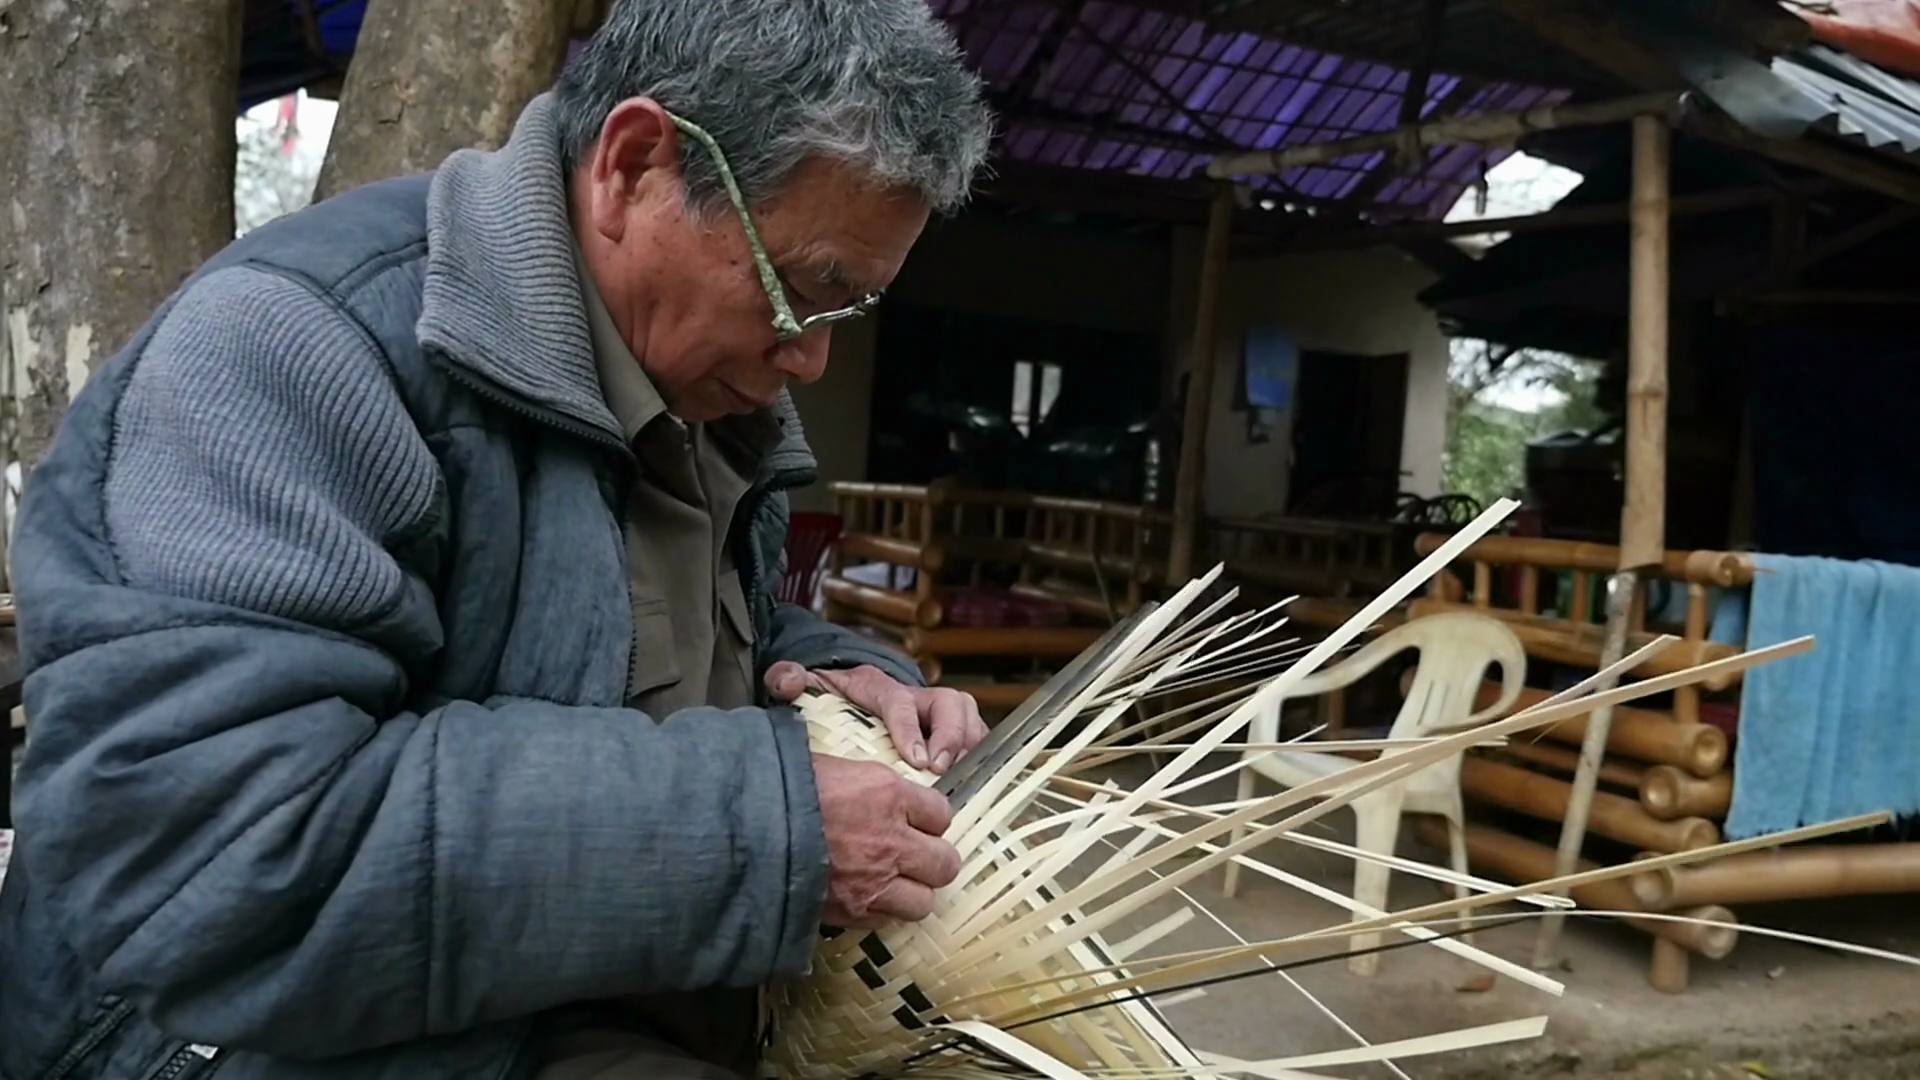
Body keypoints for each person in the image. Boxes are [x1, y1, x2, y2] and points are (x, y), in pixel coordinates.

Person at [0, 2, 996, 1079]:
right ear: (634, 165)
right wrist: (766, 830)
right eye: (806, 291)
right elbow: (217, 856)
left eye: (851, 311)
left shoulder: (705, 397)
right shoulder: (289, 352)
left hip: (581, 1005)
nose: (811, 360)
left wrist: (840, 684)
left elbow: (627, 634)